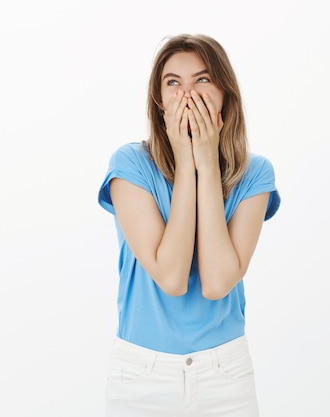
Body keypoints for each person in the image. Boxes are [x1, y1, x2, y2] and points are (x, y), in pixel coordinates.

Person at [97, 34, 281, 417]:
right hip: (141, 376)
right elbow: (172, 276)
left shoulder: (255, 173)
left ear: (224, 94)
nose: (187, 95)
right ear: (159, 102)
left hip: (225, 374)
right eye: (173, 82)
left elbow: (216, 282)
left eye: (202, 79)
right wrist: (186, 163)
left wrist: (207, 163)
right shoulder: (130, 166)